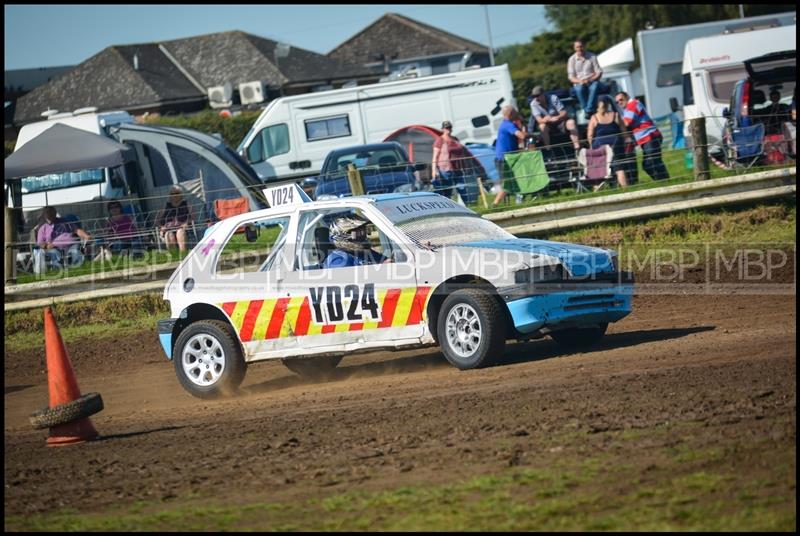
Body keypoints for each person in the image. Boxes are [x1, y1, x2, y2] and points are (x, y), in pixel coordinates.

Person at [615, 91, 670, 181]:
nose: (619, 102)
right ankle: (664, 181)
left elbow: (626, 123)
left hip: (650, 137)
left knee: (649, 164)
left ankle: (665, 181)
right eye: (617, 102)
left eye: (621, 99)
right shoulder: (627, 109)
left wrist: (614, 121)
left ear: (627, 97)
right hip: (647, 139)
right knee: (652, 163)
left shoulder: (633, 104)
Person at [33, 206, 92, 275]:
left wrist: (86, 236)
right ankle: (59, 273)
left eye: (52, 212)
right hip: (54, 248)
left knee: (76, 252)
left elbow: (77, 230)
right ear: (44, 215)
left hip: (71, 244)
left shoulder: (64, 221)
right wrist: (46, 246)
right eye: (48, 212)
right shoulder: (43, 228)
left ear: (55, 213)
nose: (50, 214)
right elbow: (40, 243)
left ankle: (77, 272)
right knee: (54, 254)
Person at [587, 95, 630, 187]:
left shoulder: (594, 117)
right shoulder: (616, 115)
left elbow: (590, 135)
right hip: (616, 144)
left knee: (598, 168)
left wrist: (591, 147)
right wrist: (627, 139)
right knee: (619, 168)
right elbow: (624, 131)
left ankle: (597, 189)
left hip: (600, 146)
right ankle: (626, 188)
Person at [528, 86, 581, 151]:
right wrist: (547, 119)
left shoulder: (553, 98)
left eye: (537, 95)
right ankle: (548, 150)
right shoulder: (533, 104)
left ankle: (577, 148)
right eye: (534, 96)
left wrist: (557, 117)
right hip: (549, 126)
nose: (536, 98)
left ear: (543, 94)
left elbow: (564, 112)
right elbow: (539, 120)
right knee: (542, 127)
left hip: (561, 122)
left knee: (571, 123)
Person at [494, 104, 527, 206]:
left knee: (516, 179)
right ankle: (495, 204)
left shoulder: (508, 124)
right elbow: (521, 135)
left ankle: (518, 200)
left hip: (509, 158)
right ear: (511, 113)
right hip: (504, 159)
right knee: (506, 184)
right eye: (515, 112)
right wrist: (525, 132)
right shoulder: (508, 125)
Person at [431, 120, 467, 199]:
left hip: (457, 169)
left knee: (463, 189)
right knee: (447, 192)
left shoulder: (455, 139)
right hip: (445, 170)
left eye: (449, 127)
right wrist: (434, 171)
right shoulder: (439, 140)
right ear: (443, 129)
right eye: (446, 128)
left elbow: (462, 152)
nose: (448, 129)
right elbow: (435, 157)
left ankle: (468, 205)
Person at [567, 39, 603, 116]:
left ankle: (588, 110)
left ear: (584, 46)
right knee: (579, 89)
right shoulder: (571, 60)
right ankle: (588, 110)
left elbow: (599, 72)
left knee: (595, 86)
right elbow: (571, 77)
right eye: (577, 47)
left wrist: (590, 80)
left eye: (581, 46)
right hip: (579, 83)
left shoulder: (592, 56)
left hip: (592, 81)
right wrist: (581, 81)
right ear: (574, 48)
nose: (579, 48)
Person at [157, 186, 193, 253]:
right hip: (168, 228)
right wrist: (162, 227)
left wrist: (186, 223)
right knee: (169, 234)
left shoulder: (186, 204)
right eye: (172, 194)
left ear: (181, 194)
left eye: (177, 193)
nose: (174, 195)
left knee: (180, 233)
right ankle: (174, 256)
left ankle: (183, 254)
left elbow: (192, 218)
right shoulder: (166, 205)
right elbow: (158, 220)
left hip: (182, 228)